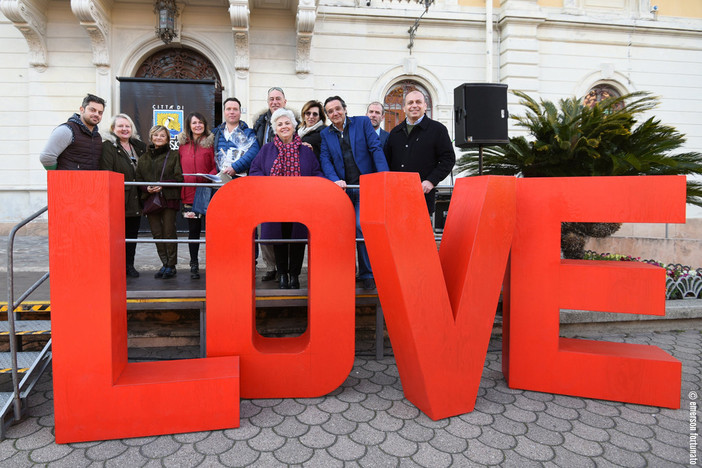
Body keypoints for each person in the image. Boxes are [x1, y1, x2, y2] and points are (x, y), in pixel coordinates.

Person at [320, 96, 389, 290]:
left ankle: (367, 273)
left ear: (345, 108)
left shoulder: (362, 123)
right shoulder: (326, 134)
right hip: (342, 190)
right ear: (327, 115)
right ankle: (345, 273)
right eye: (330, 111)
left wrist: (384, 177)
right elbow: (325, 159)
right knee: (341, 232)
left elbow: (375, 149)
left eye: (337, 109)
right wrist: (334, 180)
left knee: (360, 227)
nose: (335, 113)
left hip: (364, 188)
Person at [249, 108, 323, 289]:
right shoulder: (266, 150)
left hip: (300, 204)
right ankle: (282, 274)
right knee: (279, 239)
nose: (284, 127)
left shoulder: (305, 151)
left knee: (297, 240)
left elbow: (316, 172)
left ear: (294, 125)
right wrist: (268, 184)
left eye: (287, 123)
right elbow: (255, 170)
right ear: (275, 128)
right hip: (275, 203)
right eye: (279, 124)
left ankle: (295, 275)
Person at [384, 90, 455, 215]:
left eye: (418, 102)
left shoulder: (438, 130)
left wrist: (431, 180)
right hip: (396, 198)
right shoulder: (395, 133)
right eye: (410, 103)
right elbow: (387, 162)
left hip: (423, 198)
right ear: (404, 108)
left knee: (419, 234)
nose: (414, 105)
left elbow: (448, 159)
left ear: (425, 106)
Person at [99, 113, 147, 278]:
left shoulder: (138, 146)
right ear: (113, 129)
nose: (124, 129)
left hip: (136, 198)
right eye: (120, 126)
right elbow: (107, 172)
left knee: (132, 236)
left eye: (127, 126)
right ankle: (116, 267)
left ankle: (129, 265)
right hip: (118, 198)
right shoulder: (109, 147)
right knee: (117, 237)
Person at [135, 125, 183, 279]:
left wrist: (162, 185)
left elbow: (179, 178)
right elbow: (139, 179)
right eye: (156, 135)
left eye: (162, 135)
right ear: (151, 137)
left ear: (168, 138)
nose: (159, 138)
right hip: (150, 200)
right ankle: (164, 263)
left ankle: (171, 265)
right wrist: (146, 188)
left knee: (169, 232)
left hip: (168, 198)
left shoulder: (174, 155)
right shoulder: (143, 158)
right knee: (157, 233)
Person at [253, 87, 288, 281]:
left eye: (278, 98)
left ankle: (285, 267)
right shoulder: (259, 123)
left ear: (284, 101)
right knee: (264, 228)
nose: (274, 102)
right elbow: (256, 154)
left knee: (285, 228)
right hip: (265, 185)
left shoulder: (293, 122)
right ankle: (271, 266)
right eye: (271, 99)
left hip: (287, 187)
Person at [179, 112, 216, 279]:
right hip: (188, 194)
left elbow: (217, 165)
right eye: (194, 123)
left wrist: (211, 176)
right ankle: (194, 264)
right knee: (193, 232)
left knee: (212, 232)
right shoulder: (182, 145)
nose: (198, 126)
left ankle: (215, 264)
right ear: (189, 125)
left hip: (207, 193)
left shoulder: (211, 143)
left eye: (201, 122)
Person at [40, 93, 106, 170]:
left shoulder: (97, 136)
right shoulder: (66, 130)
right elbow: (46, 157)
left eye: (100, 112)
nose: (96, 114)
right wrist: (58, 176)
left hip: (90, 181)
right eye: (92, 110)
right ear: (82, 110)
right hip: (68, 181)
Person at [211, 97, 260, 178]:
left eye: (235, 109)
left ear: (240, 112)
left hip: (240, 181)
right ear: (224, 112)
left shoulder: (248, 133)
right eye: (228, 109)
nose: (232, 112)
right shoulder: (215, 133)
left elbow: (253, 153)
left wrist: (235, 168)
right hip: (219, 181)